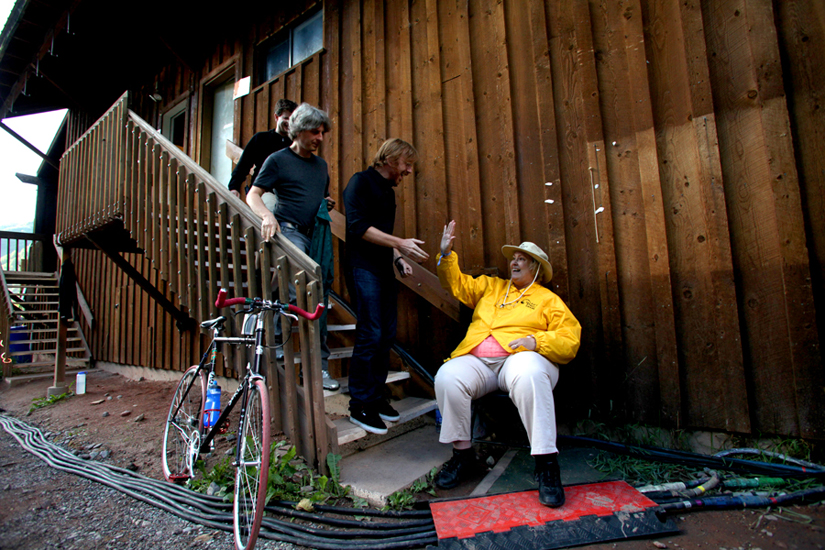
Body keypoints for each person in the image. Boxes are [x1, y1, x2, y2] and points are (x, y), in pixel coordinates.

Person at [433, 220, 581, 507]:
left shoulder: (547, 299)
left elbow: (570, 339)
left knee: (529, 373)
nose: (514, 261)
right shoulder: (492, 288)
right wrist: (447, 255)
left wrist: (536, 343)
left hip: (520, 361)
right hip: (480, 362)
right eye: (513, 257)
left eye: (522, 259)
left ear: (536, 268)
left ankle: (547, 465)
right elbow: (458, 285)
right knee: (447, 376)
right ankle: (462, 456)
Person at [246, 102, 338, 391]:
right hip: (290, 232)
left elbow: (317, 197)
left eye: (322, 132)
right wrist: (267, 215)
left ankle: (319, 369)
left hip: (317, 236)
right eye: (315, 131)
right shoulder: (277, 160)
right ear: (297, 130)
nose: (320, 137)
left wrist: (325, 204)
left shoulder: (321, 166)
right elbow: (253, 195)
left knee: (319, 297)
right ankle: (279, 356)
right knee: (296, 290)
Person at [342, 138, 429, 435]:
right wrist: (400, 243)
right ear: (390, 159)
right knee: (371, 332)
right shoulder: (360, 182)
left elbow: (383, 234)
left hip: (382, 269)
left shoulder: (388, 194)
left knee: (386, 335)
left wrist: (398, 256)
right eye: (406, 164)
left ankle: (377, 398)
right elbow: (358, 228)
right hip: (361, 267)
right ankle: (360, 405)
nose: (407, 171)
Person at [228, 98, 297, 201]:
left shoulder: (296, 143)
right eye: (286, 118)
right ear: (276, 117)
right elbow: (243, 165)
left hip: (288, 195)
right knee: (272, 211)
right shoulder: (261, 139)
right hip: (264, 192)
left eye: (292, 119)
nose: (289, 122)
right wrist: (234, 187)